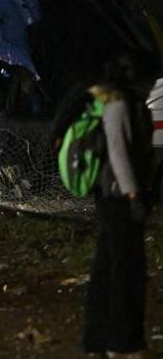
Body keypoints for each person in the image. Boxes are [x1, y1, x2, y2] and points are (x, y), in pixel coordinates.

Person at [82, 52, 156, 359]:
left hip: (111, 196)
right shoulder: (120, 105)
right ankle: (124, 343)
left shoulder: (112, 102)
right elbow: (119, 153)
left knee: (107, 267)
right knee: (128, 270)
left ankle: (97, 340)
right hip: (119, 198)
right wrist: (134, 195)